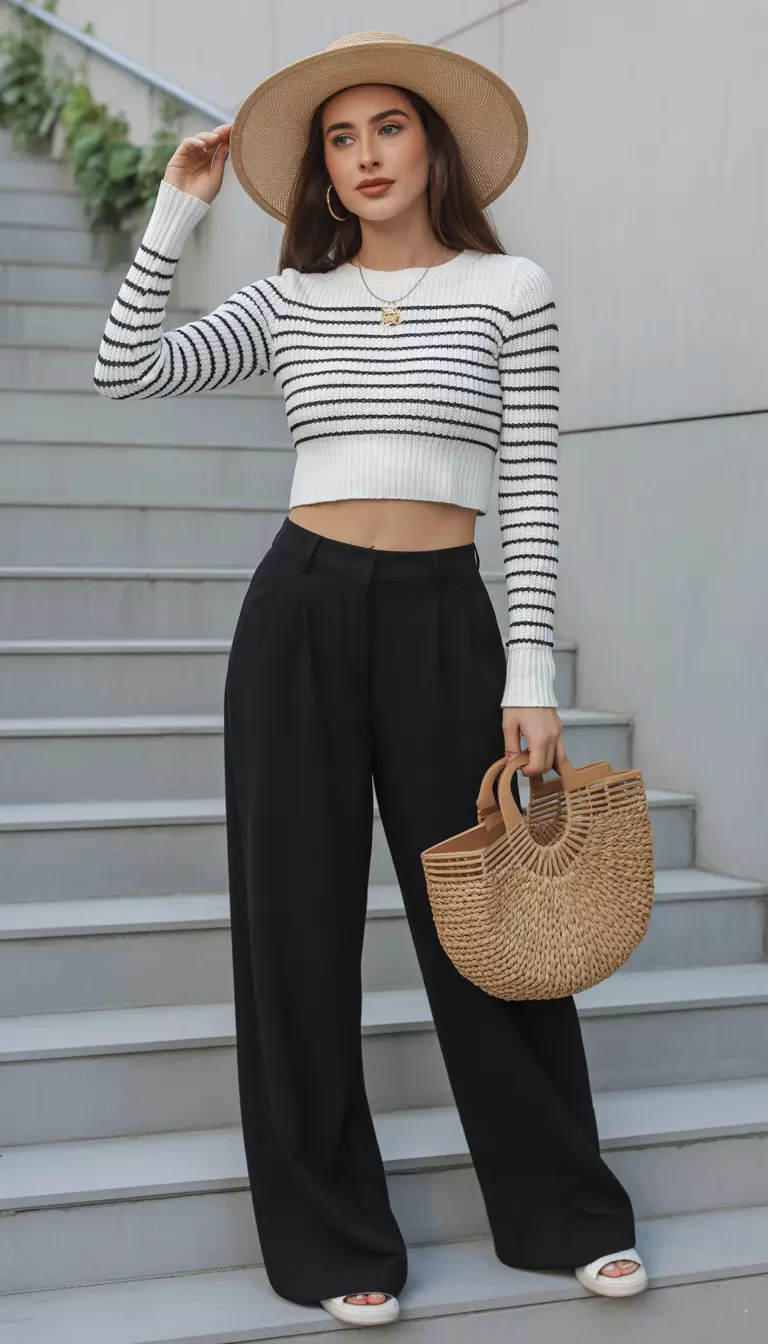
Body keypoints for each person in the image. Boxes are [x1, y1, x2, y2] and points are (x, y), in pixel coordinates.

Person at [93, 29, 647, 1327]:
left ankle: (565, 1212)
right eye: (340, 140)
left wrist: (529, 668)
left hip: (445, 620)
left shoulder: (510, 290)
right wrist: (179, 207)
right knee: (294, 926)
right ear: (323, 173)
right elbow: (125, 369)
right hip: (299, 613)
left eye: (387, 127)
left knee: (498, 926)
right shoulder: (291, 300)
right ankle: (332, 1234)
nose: (364, 156)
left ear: (432, 145)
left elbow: (532, 489)